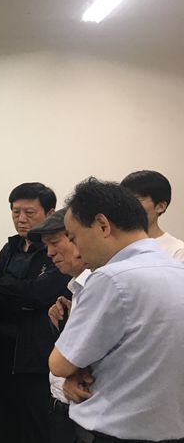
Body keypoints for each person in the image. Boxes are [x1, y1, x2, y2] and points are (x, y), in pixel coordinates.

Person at [49, 178, 184, 442]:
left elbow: (60, 363)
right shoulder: (177, 269)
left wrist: (76, 370)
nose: (77, 250)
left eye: (74, 238)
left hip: (118, 432)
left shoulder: (111, 278)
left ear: (102, 225)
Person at [0, 183, 70, 443]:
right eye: (16, 212)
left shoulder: (55, 250)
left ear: (50, 213)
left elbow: (40, 294)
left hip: (37, 355)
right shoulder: (11, 247)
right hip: (3, 349)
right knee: (2, 423)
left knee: (35, 427)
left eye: (29, 212)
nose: (21, 219)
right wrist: (22, 294)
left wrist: (10, 288)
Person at [26, 207, 91, 443]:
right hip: (60, 409)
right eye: (46, 245)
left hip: (85, 417)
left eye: (54, 242)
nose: (50, 253)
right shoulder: (76, 289)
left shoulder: (102, 287)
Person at [121, 169, 184, 261]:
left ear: (161, 206)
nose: (127, 206)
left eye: (136, 200)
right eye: (125, 200)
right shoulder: (115, 245)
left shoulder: (177, 251)